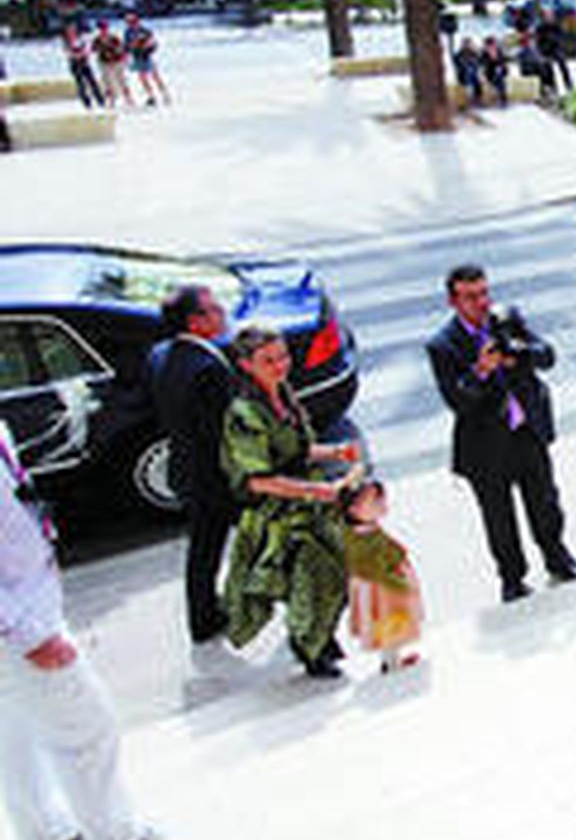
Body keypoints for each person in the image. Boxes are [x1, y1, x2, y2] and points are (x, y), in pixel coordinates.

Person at [0, 421, 153, 840]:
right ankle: (117, 832)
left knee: (14, 732)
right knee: (87, 726)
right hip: (23, 620)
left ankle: (45, 833)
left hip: (29, 598)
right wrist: (28, 633)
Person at [426, 265, 576, 603]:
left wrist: (520, 355)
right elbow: (457, 400)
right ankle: (512, 578)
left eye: (484, 293)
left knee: (545, 501)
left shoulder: (508, 318)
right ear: (453, 301)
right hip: (485, 446)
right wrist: (480, 371)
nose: (482, 303)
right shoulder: (442, 345)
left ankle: (557, 558)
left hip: (525, 430)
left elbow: (548, 355)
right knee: (499, 518)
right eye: (471, 297)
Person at [221, 327, 362, 678]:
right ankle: (310, 648)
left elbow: (297, 448)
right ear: (246, 365)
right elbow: (258, 479)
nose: (280, 365)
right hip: (281, 512)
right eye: (268, 360)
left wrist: (334, 451)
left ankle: (321, 635)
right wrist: (317, 491)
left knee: (339, 572)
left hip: (311, 500)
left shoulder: (282, 393)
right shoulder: (244, 414)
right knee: (312, 578)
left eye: (283, 356)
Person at [147, 285, 236, 644]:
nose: (222, 313)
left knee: (203, 548)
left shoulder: (160, 354)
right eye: (213, 309)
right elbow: (221, 432)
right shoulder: (207, 369)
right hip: (213, 476)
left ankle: (203, 615)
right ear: (195, 321)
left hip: (185, 469)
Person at [342, 479, 424, 674]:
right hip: (380, 588)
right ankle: (391, 660)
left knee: (392, 620)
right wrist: (399, 583)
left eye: (381, 501)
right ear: (354, 510)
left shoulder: (367, 530)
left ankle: (393, 657)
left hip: (383, 584)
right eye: (374, 502)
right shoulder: (360, 539)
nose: (381, 506)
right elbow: (370, 568)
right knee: (386, 620)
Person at [122, 13, 170, 107]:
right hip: (137, 57)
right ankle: (151, 96)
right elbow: (127, 46)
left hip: (146, 56)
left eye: (133, 22)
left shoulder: (144, 31)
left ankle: (165, 94)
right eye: (129, 22)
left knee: (155, 76)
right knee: (143, 78)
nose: (131, 24)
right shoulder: (128, 33)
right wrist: (126, 54)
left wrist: (146, 46)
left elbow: (153, 43)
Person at [91, 20, 133, 108]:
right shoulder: (97, 40)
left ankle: (129, 100)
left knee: (122, 81)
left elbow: (122, 49)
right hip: (104, 63)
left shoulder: (114, 38)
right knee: (108, 83)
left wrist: (124, 58)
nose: (103, 30)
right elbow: (93, 50)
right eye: (101, 28)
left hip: (117, 61)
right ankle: (112, 102)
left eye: (105, 28)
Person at [63, 24, 105, 110]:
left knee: (92, 81)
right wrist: (78, 54)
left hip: (84, 63)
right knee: (80, 84)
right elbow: (68, 54)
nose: (71, 33)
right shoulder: (67, 42)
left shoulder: (81, 40)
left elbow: (87, 50)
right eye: (70, 32)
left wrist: (80, 54)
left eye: (73, 31)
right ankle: (87, 102)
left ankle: (100, 100)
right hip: (75, 64)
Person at [535, 10, 572, 94]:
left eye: (550, 16)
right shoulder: (540, 27)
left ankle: (568, 84)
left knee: (562, 63)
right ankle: (552, 86)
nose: (549, 18)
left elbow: (562, 39)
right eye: (547, 16)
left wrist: (556, 42)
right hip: (546, 49)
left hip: (556, 48)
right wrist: (541, 53)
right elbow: (538, 42)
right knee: (546, 66)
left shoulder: (557, 25)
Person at [452, 37, 483, 107]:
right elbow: (457, 63)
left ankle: (477, 99)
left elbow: (479, 61)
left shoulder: (473, 53)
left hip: (473, 75)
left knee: (476, 82)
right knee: (469, 78)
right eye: (466, 44)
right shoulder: (459, 54)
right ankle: (470, 100)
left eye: (468, 44)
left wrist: (477, 50)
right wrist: (465, 67)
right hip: (463, 76)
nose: (467, 46)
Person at [481, 36, 510, 107]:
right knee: (498, 80)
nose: (493, 47)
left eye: (494, 44)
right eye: (491, 45)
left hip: (500, 73)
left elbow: (503, 61)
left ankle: (503, 99)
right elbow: (484, 65)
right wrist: (492, 60)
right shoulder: (484, 53)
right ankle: (500, 98)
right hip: (490, 73)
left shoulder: (499, 51)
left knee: (500, 80)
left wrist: (500, 65)